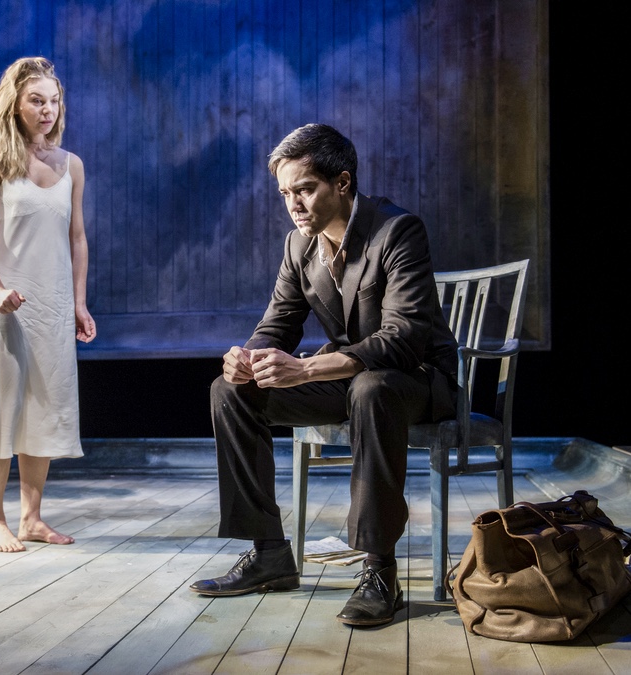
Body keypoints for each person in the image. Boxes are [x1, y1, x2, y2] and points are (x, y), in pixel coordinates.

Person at [190, 123, 458, 627]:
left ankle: (379, 570)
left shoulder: (397, 231)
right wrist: (246, 358)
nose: (293, 204)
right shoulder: (299, 246)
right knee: (230, 390)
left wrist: (306, 367)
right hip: (350, 382)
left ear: (342, 182)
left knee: (372, 388)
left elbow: (403, 338)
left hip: (418, 379)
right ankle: (269, 553)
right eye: (285, 193)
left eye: (305, 189)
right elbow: (277, 324)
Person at [0, 57, 96, 553]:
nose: (47, 109)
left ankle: (31, 518)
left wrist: (80, 303)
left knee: (44, 408)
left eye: (53, 100)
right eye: (36, 100)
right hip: (7, 306)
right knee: (1, 408)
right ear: (15, 105)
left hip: (54, 305)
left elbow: (77, 238)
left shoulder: (71, 165)